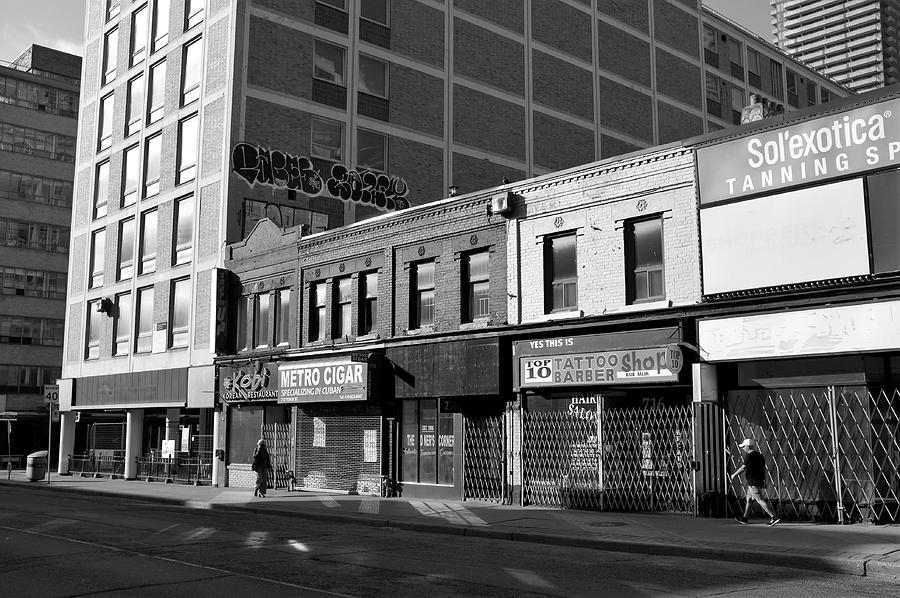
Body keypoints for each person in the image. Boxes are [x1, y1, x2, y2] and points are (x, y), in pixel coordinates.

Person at [730, 438, 780, 526]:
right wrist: (764, 480)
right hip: (759, 480)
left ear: (747, 446)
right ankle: (745, 518)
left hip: (753, 481)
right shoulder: (760, 456)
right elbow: (763, 469)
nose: (743, 449)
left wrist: (734, 474)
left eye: (743, 447)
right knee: (749, 499)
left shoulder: (749, 456)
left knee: (759, 499)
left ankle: (773, 516)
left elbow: (743, 467)